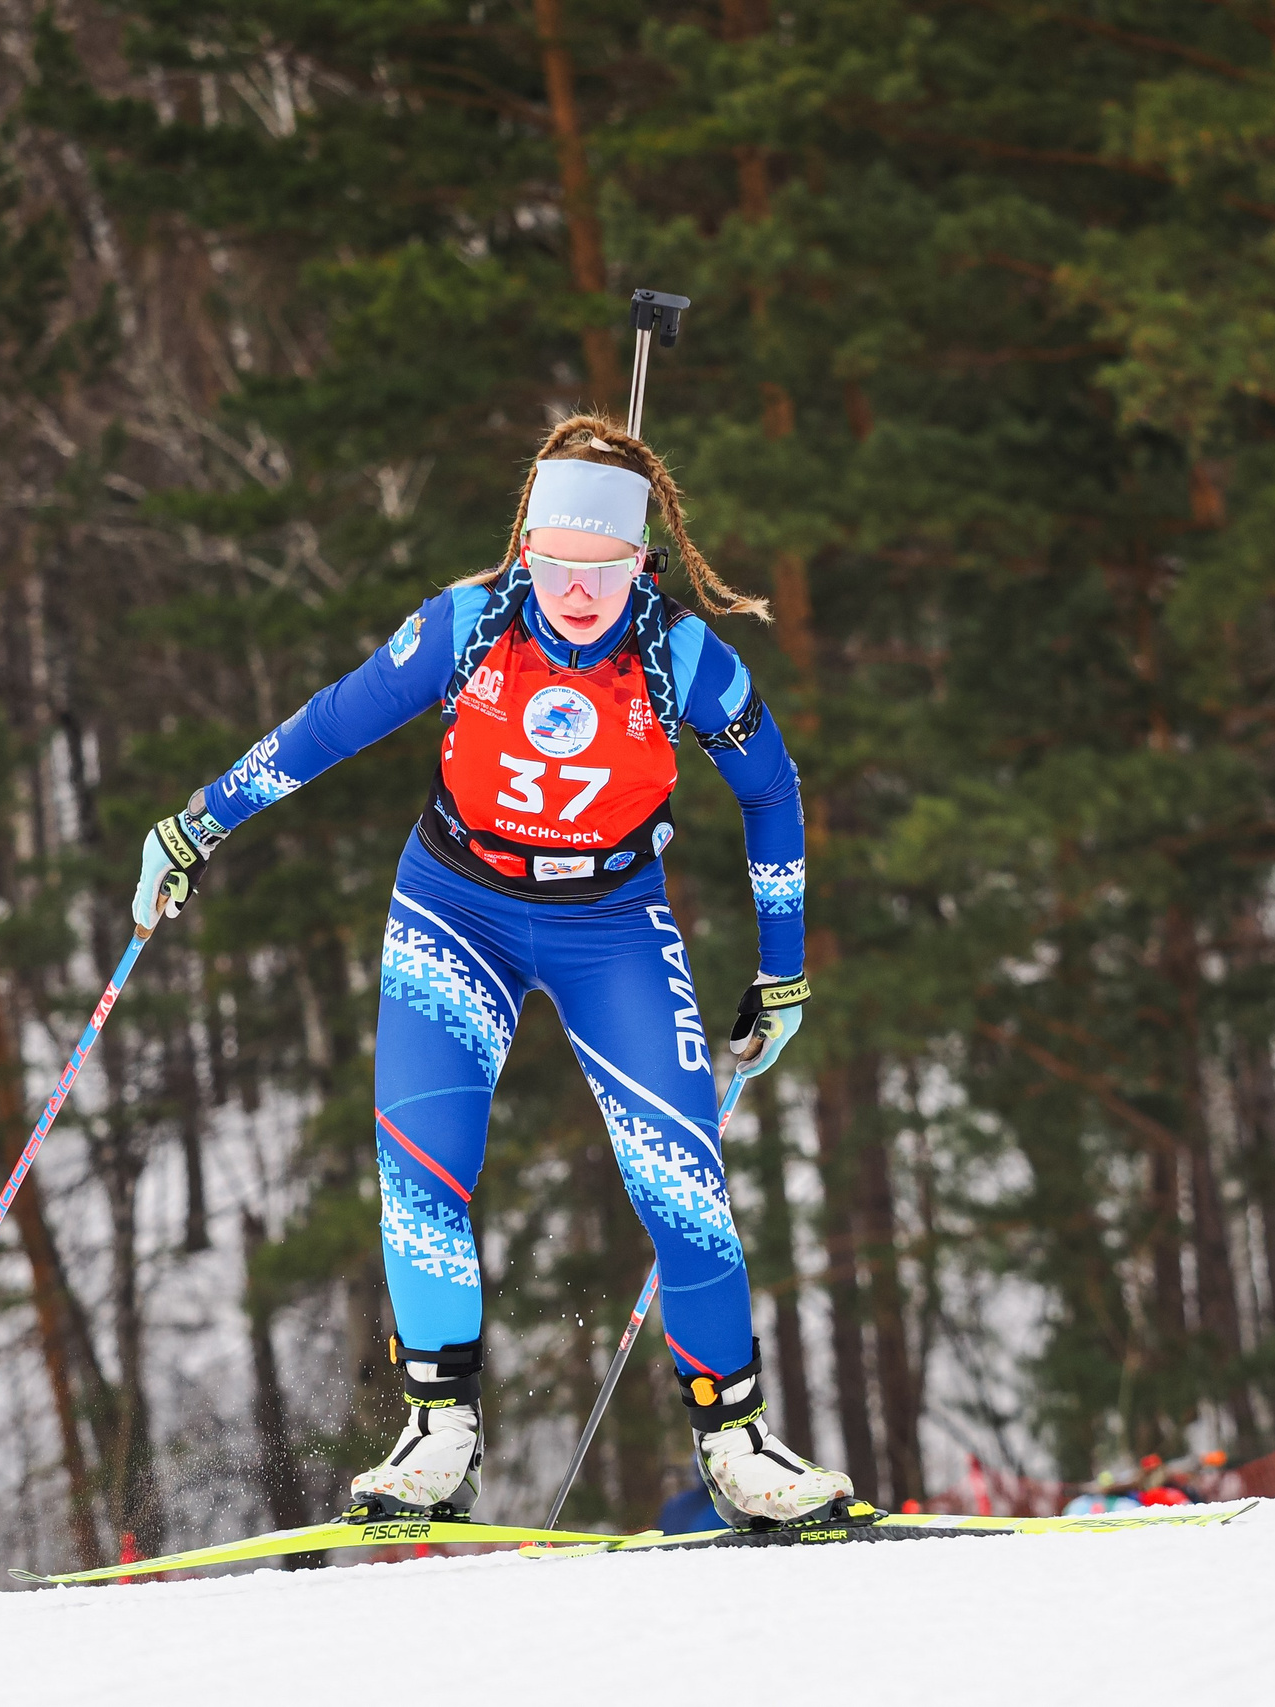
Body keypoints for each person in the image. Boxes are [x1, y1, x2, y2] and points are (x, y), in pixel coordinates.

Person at [130, 414, 849, 1527]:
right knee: (422, 1166)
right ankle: (439, 1433)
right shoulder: (463, 629)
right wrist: (196, 824)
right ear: (524, 553)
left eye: (604, 569)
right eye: (557, 565)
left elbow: (772, 793)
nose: (577, 591)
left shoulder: (685, 656)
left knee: (680, 1180)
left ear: (641, 566)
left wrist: (783, 971)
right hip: (455, 906)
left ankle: (737, 1443)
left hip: (610, 918)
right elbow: (327, 729)